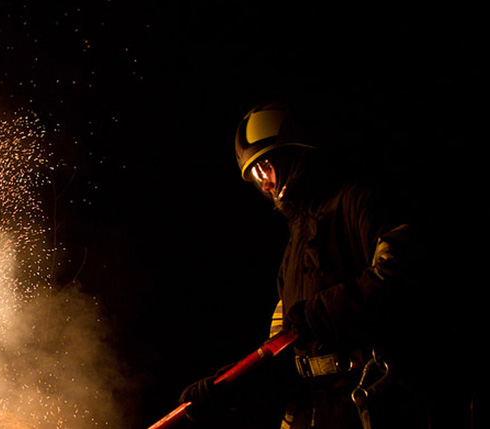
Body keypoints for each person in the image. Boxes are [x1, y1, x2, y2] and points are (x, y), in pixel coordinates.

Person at [176, 100, 462, 428]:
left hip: (374, 403)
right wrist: (227, 388)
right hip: (314, 409)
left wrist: (324, 312)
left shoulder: (359, 201)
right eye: (256, 176)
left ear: (294, 155)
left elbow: (403, 275)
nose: (265, 183)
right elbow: (282, 346)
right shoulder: (293, 248)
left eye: (266, 166)